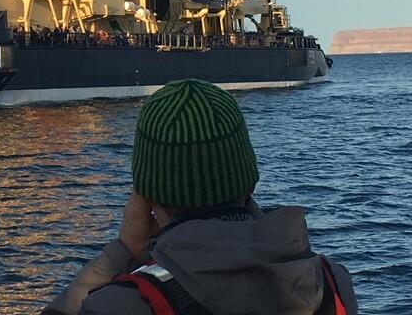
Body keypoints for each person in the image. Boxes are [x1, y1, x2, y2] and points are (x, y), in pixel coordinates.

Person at [42, 79, 357, 315]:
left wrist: (123, 251)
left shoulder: (120, 304)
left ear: (145, 196)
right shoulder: (331, 284)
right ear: (248, 179)